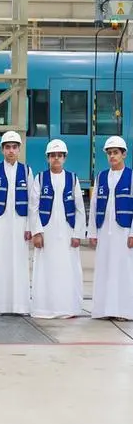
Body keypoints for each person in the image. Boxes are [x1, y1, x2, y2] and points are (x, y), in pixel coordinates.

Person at [29, 139, 86, 318]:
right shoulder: (40, 178)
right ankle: (45, 308)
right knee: (45, 268)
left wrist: (78, 234)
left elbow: (79, 208)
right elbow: (33, 207)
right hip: (47, 232)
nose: (56, 159)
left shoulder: (73, 178)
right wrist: (37, 232)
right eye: (53, 156)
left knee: (68, 269)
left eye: (59, 155)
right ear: (47, 158)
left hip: (68, 232)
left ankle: (68, 308)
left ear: (65, 158)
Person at [0, 130, 33, 315]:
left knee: (19, 264)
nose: (11, 151)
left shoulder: (26, 171)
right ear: (2, 150)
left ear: (19, 149)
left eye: (14, 147)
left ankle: (20, 306)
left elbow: (31, 201)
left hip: (20, 224)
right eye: (7, 147)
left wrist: (29, 227)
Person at [87, 135, 133, 321]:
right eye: (109, 153)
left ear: (124, 155)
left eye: (116, 153)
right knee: (104, 268)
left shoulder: (131, 176)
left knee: (123, 269)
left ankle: (123, 311)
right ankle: (103, 310)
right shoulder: (101, 177)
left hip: (124, 230)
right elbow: (94, 204)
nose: (112, 156)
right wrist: (92, 232)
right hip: (104, 230)